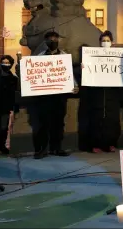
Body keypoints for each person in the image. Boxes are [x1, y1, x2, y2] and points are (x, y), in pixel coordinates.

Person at [78, 31, 123, 153]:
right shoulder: (93, 57)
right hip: (97, 94)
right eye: (103, 41)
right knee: (96, 120)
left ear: (112, 43)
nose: (105, 43)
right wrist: (83, 69)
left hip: (112, 94)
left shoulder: (118, 57)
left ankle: (110, 143)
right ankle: (96, 144)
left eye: (107, 41)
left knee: (112, 120)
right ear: (100, 43)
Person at [32, 31, 79, 159]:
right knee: (43, 123)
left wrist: (74, 85)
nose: (53, 41)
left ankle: (56, 148)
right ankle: (43, 149)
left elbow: (68, 73)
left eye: (55, 39)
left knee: (59, 123)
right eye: (50, 39)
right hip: (45, 96)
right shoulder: (40, 57)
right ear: (45, 41)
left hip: (60, 96)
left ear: (58, 40)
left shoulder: (64, 56)